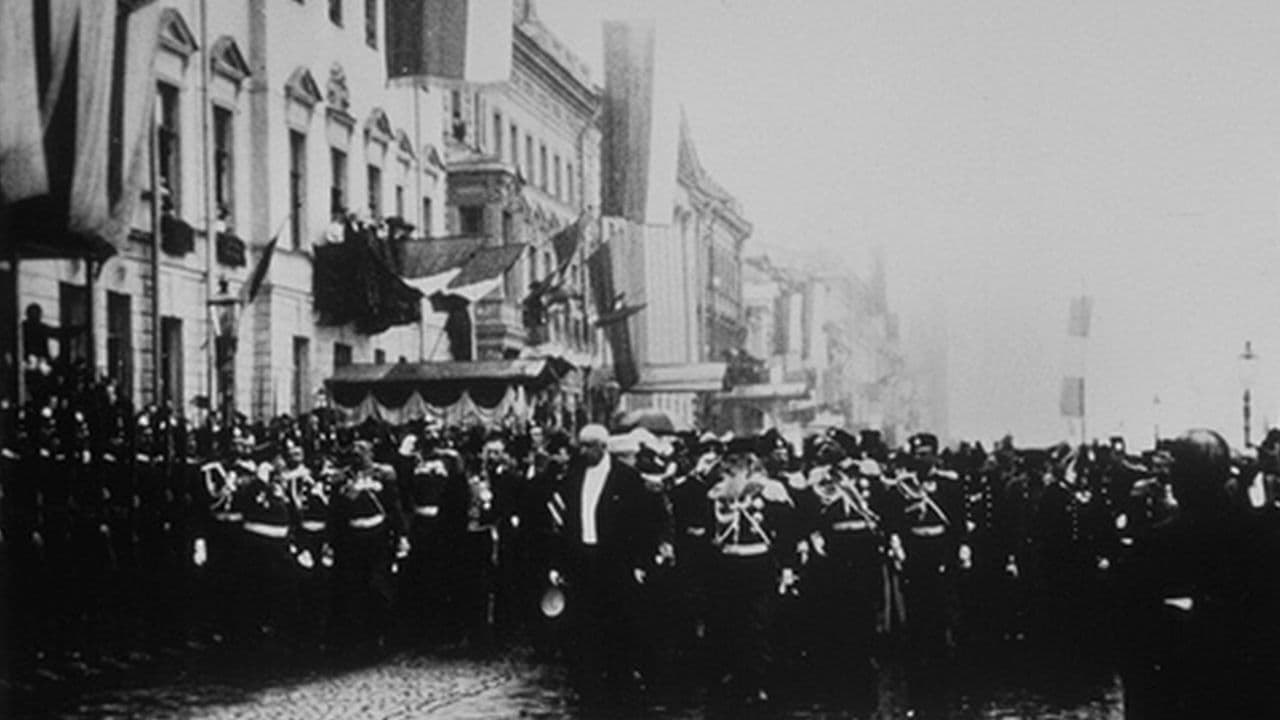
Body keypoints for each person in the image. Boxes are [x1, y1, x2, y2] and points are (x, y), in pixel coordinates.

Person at [560, 424, 665, 698]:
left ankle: (619, 676)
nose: (583, 452)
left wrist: (640, 561)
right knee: (584, 619)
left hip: (615, 559)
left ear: (602, 447)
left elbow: (641, 524)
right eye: (580, 446)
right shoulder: (574, 476)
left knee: (617, 618)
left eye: (588, 446)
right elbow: (567, 521)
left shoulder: (626, 478)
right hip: (583, 556)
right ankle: (588, 678)